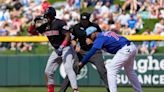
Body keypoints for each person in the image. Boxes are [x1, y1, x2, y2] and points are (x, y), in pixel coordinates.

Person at [28, 7, 79, 92]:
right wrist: (33, 22)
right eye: (46, 15)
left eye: (48, 15)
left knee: (68, 68)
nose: (46, 17)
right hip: (56, 50)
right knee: (48, 71)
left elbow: (68, 36)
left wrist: (61, 47)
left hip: (66, 47)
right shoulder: (45, 26)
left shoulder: (60, 23)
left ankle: (75, 89)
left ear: (52, 15)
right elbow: (31, 31)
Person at [78, 26, 142, 92]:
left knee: (111, 70)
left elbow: (91, 52)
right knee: (130, 71)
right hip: (131, 47)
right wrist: (93, 43)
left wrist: (82, 62)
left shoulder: (99, 38)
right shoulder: (103, 34)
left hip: (125, 49)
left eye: (89, 36)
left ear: (94, 33)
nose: (88, 38)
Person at [59, 12, 109, 92]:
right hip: (82, 52)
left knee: (102, 71)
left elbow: (101, 38)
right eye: (82, 20)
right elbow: (72, 38)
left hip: (95, 52)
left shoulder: (95, 26)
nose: (83, 21)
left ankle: (111, 90)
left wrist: (92, 42)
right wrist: (74, 44)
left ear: (89, 19)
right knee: (72, 70)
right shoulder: (76, 27)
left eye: (85, 20)